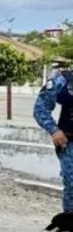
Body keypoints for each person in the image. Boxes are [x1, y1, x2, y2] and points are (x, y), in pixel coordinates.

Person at [34, 68, 73, 215]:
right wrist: (54, 130)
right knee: (72, 184)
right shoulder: (64, 80)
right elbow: (40, 108)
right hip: (70, 144)